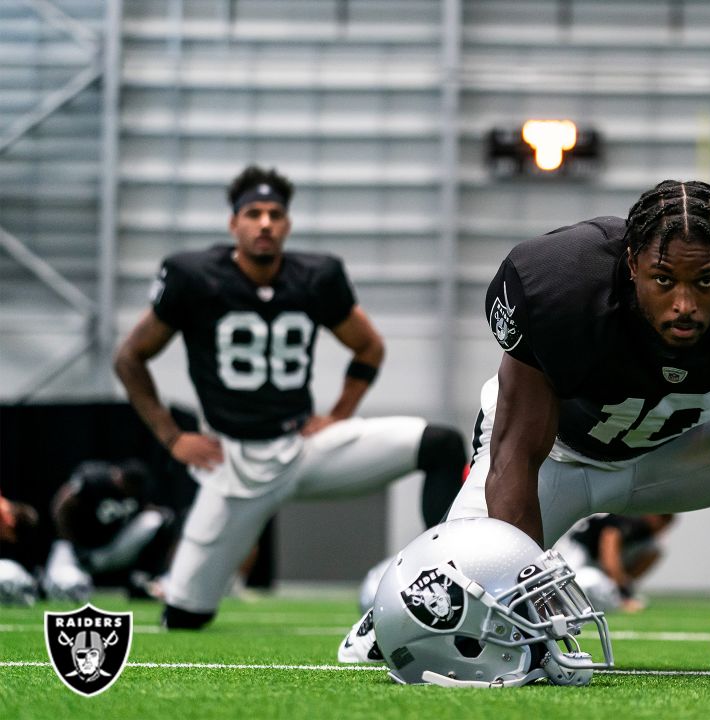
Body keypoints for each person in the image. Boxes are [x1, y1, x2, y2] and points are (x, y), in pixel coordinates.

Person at [342, 179, 710, 675]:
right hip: (555, 459)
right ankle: (390, 608)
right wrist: (519, 590)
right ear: (630, 265)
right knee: (423, 618)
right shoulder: (559, 287)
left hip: (679, 456)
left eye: (706, 281)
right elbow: (515, 451)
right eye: (663, 279)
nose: (685, 304)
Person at [114, 165, 467, 630]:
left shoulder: (316, 276)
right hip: (233, 461)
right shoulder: (193, 275)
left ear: (288, 224)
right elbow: (130, 358)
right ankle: (186, 597)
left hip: (303, 448)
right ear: (233, 224)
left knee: (440, 443)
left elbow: (370, 345)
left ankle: (442, 579)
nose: (265, 223)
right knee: (184, 616)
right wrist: (172, 438)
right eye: (253, 213)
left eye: (275, 214)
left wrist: (339, 415)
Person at [43, 459, 176, 601]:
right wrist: (73, 545)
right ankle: (46, 580)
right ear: (120, 478)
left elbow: (146, 511)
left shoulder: (137, 492)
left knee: (157, 519)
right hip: (74, 548)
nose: (129, 492)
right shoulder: (94, 479)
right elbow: (62, 506)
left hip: (109, 550)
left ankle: (143, 577)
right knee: (66, 584)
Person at [556, 513, 675, 612]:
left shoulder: (650, 539)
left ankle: (613, 597)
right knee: (567, 585)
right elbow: (609, 557)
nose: (664, 525)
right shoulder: (628, 520)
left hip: (597, 561)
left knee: (655, 547)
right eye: (664, 518)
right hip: (578, 550)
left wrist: (625, 585)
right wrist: (623, 594)